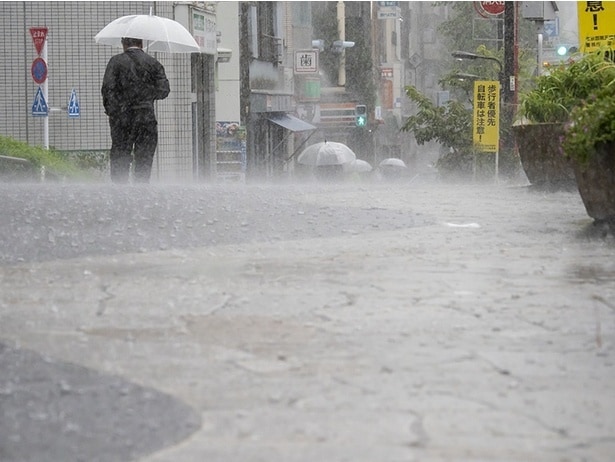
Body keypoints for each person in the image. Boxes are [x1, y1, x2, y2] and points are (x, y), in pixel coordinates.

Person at [101, 37, 170, 183]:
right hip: (146, 118)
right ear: (141, 44)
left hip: (122, 119)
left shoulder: (116, 62)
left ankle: (120, 192)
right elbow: (164, 90)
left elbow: (108, 89)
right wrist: (145, 94)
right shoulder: (153, 63)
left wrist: (114, 111)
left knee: (120, 155)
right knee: (144, 158)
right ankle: (141, 193)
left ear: (124, 44)